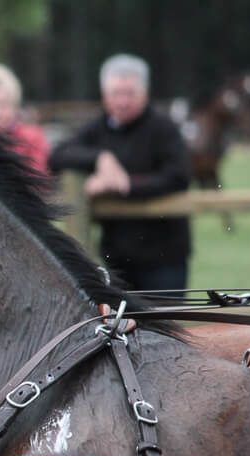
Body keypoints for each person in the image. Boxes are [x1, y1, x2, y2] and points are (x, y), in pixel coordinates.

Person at [48, 53, 191, 291]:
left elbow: (178, 176)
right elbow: (57, 156)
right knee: (121, 315)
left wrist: (126, 185)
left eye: (130, 93)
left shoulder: (163, 128)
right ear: (104, 95)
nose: (122, 102)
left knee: (165, 315)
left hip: (163, 257)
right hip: (117, 258)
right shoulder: (99, 127)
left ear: (145, 93)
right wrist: (99, 157)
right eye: (116, 93)